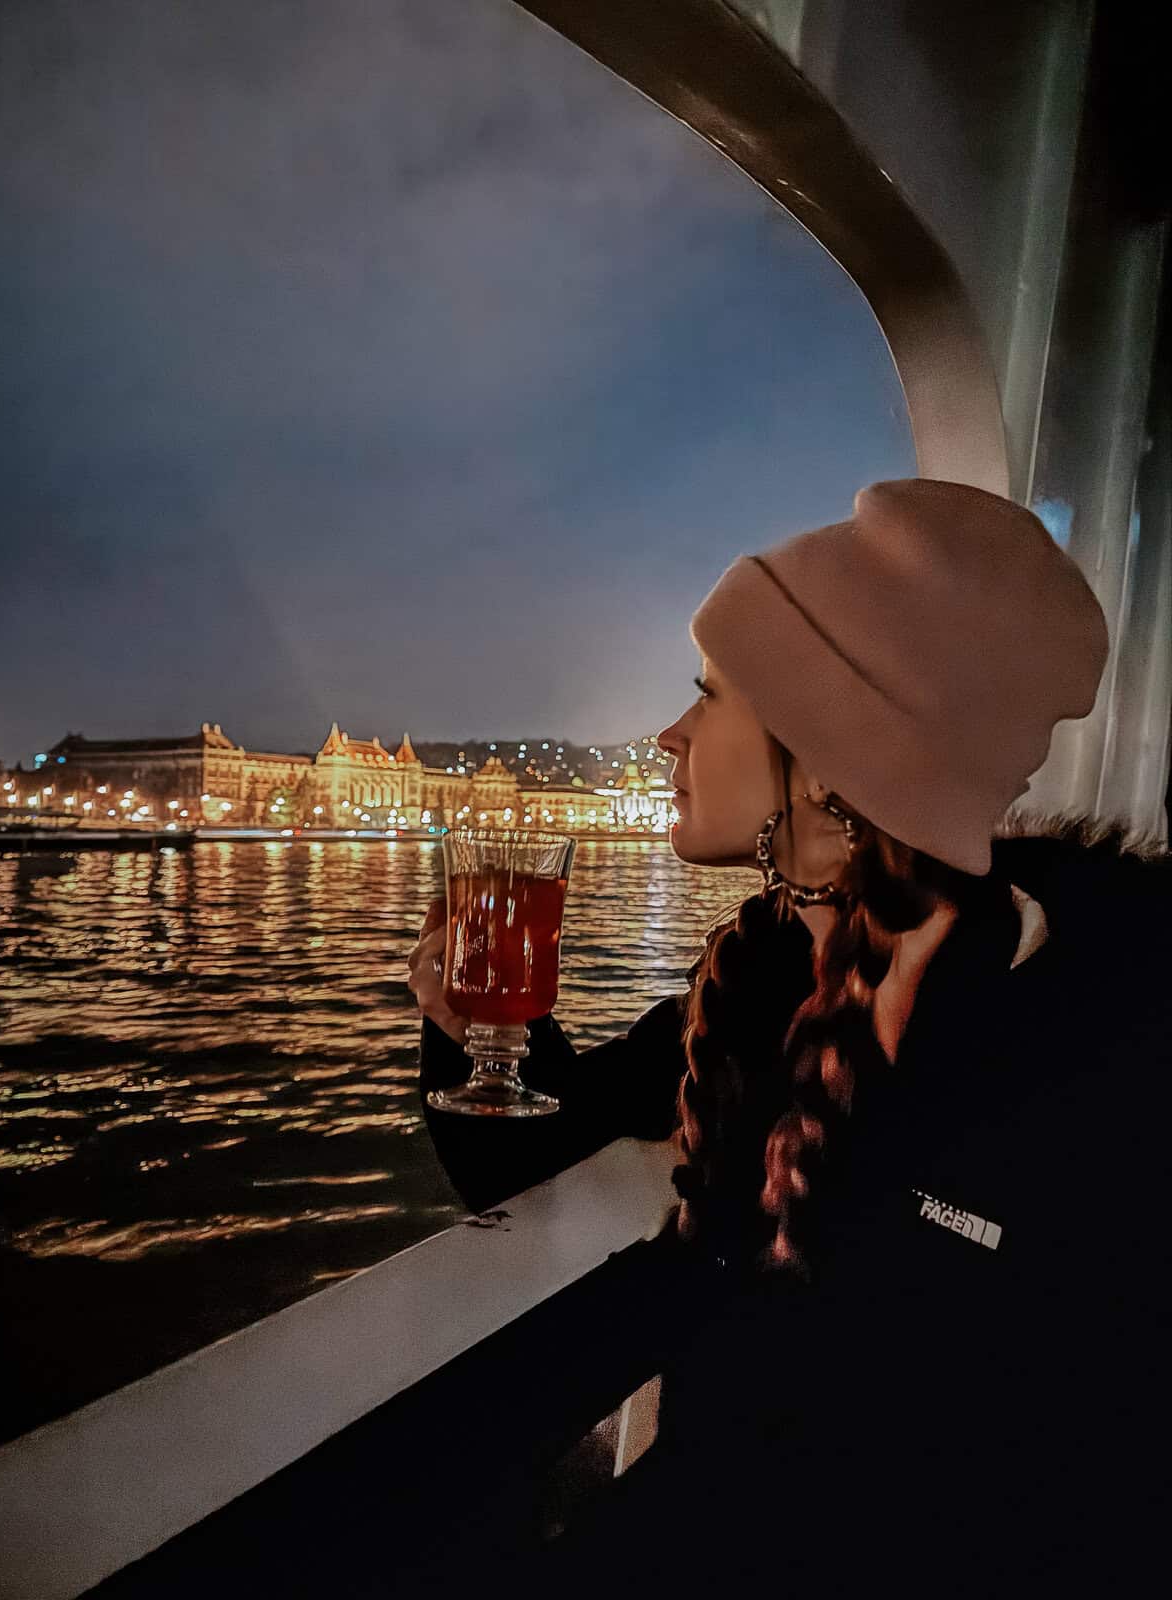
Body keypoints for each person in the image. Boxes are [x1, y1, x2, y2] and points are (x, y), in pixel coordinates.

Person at [408, 479, 1169, 1594]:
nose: (668, 736)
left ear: (826, 759)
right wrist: (474, 1034)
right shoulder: (757, 983)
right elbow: (533, 1156)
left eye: (709, 695)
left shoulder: (1109, 1038)